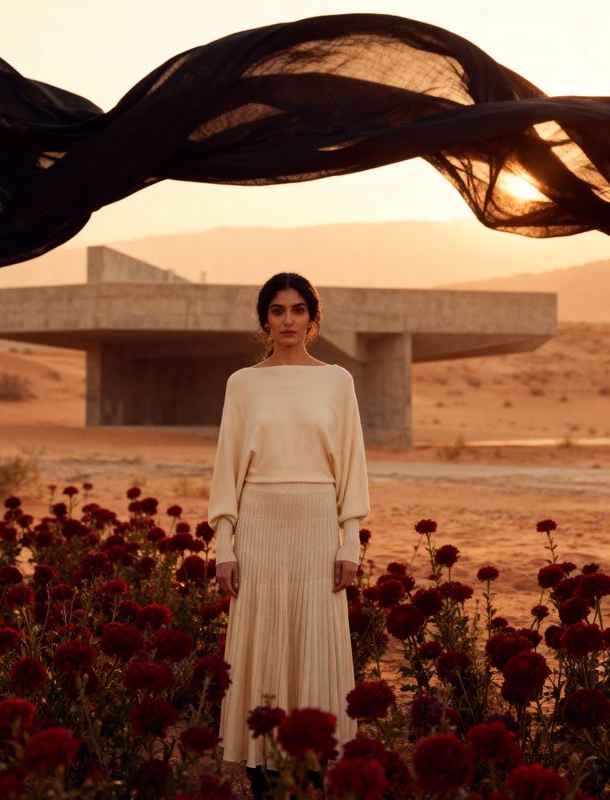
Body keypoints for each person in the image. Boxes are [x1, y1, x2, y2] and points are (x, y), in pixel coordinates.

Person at [207, 272, 370, 799]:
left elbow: (351, 466)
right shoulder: (243, 383)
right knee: (263, 642)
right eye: (277, 311)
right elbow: (227, 466)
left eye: (298, 310)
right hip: (258, 524)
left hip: (317, 522)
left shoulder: (337, 381)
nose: (287, 321)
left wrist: (349, 544)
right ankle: (262, 767)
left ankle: (314, 761)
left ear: (312, 318)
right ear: (264, 321)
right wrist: (224, 547)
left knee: (314, 642)